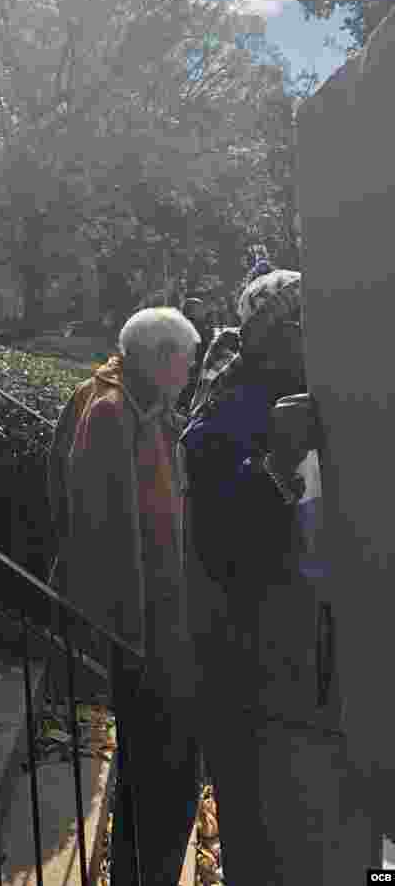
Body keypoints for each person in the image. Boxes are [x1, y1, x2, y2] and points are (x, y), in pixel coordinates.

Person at [181, 266, 358, 884]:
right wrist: (279, 459)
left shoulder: (332, 391)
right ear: (268, 334)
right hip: (256, 671)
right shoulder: (226, 409)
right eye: (298, 324)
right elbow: (219, 542)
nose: (312, 337)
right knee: (268, 839)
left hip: (327, 665)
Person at [56, 306, 201, 886]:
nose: (191, 372)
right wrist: (132, 636)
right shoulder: (111, 413)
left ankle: (141, 873)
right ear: (159, 360)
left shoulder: (145, 408)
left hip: (165, 624)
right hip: (142, 631)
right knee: (163, 767)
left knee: (161, 769)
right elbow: (107, 531)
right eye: (186, 361)